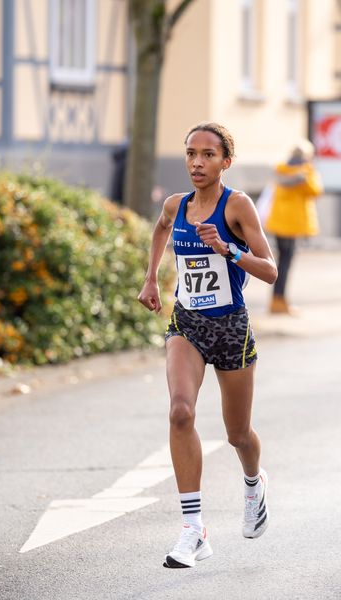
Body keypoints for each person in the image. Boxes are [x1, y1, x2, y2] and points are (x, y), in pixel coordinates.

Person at [138, 122, 278, 569]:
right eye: (191, 153)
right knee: (180, 411)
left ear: (225, 162)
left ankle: (254, 483)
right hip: (187, 324)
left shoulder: (237, 206)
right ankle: (193, 528)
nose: (197, 162)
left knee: (238, 434)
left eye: (208, 155)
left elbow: (270, 270)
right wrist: (151, 279)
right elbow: (161, 230)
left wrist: (228, 250)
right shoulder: (175, 205)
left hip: (231, 328)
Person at [265, 140, 323, 314]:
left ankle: (277, 299)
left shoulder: (281, 170)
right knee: (285, 263)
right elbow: (315, 191)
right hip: (292, 224)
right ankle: (279, 301)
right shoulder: (306, 171)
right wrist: (305, 174)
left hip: (279, 222)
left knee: (281, 261)